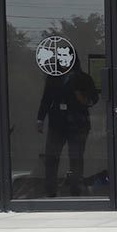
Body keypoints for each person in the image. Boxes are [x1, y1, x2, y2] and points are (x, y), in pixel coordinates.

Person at [36, 54, 98, 197]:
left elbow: (94, 98)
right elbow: (46, 99)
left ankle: (76, 188)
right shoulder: (53, 77)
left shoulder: (84, 78)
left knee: (76, 157)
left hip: (78, 123)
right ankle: (50, 189)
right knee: (51, 157)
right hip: (57, 123)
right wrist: (40, 119)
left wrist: (83, 98)